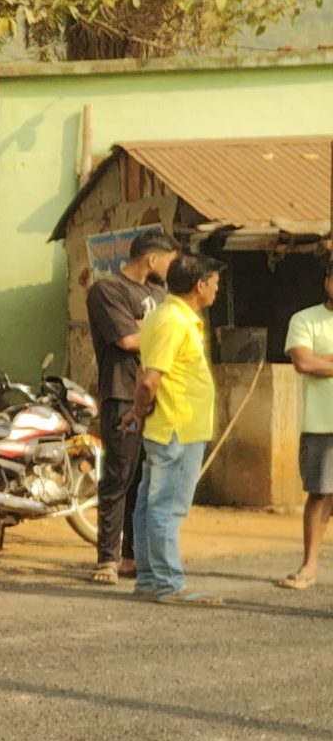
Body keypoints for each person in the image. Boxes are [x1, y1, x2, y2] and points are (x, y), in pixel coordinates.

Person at [125, 253, 221, 607]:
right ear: (199, 285)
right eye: (214, 283)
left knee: (149, 504)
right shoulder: (174, 321)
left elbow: (145, 371)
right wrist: (139, 408)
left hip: (169, 425)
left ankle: (150, 580)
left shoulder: (165, 316)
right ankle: (168, 584)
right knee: (166, 506)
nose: (216, 289)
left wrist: (139, 411)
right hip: (178, 427)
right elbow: (150, 379)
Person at [84, 229, 178, 586]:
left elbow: (176, 334)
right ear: (151, 259)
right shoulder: (107, 290)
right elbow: (126, 339)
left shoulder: (160, 293)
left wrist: (145, 328)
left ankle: (132, 557)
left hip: (156, 396)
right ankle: (106, 559)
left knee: (145, 480)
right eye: (169, 261)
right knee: (119, 477)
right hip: (122, 393)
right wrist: (156, 332)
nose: (172, 269)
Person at [277, 259, 333, 590]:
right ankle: (309, 565)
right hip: (321, 423)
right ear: (327, 281)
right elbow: (302, 362)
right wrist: (315, 361)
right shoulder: (305, 319)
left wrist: (323, 359)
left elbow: (314, 361)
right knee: (320, 494)